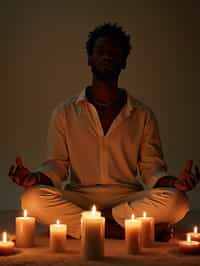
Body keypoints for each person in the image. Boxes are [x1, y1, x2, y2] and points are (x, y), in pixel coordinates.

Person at [9, 23, 200, 241]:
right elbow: (56, 166)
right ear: (89, 59)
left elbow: (152, 170)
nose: (107, 56)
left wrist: (175, 183)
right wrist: (33, 178)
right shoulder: (65, 112)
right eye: (100, 51)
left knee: (178, 201)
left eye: (114, 52)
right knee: (31, 199)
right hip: (80, 196)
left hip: (127, 199)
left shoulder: (142, 114)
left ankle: (87, 226)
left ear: (124, 61)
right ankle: (123, 232)